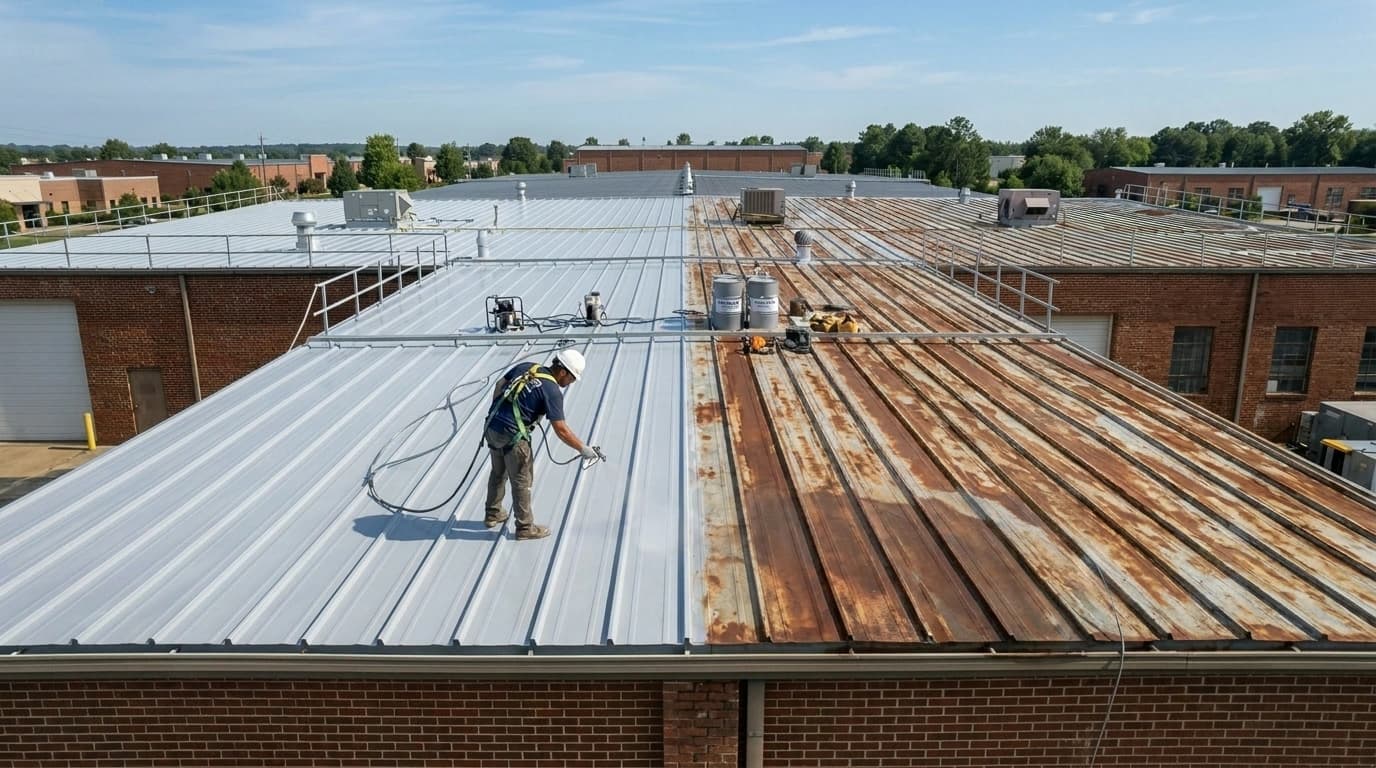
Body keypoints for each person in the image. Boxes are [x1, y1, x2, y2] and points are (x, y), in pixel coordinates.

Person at [482, 348, 598, 540]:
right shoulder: (552, 392)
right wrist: (583, 448)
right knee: (522, 481)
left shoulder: (528, 367)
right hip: (514, 437)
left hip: (492, 428)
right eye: (571, 379)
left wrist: (499, 413)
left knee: (498, 472)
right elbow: (561, 429)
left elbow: (500, 384)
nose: (569, 383)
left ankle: (492, 514)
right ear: (563, 372)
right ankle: (525, 527)